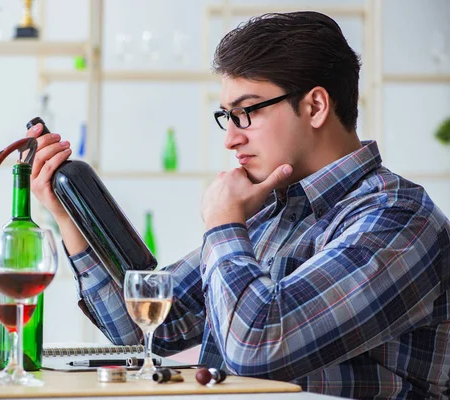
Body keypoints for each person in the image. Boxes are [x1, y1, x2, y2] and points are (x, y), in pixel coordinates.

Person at [27, 11, 450, 400]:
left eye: (246, 112)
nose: (230, 138)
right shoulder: (273, 209)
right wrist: (71, 219)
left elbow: (259, 348)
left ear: (316, 106)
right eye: (226, 116)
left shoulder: (398, 219)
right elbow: (149, 329)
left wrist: (225, 223)